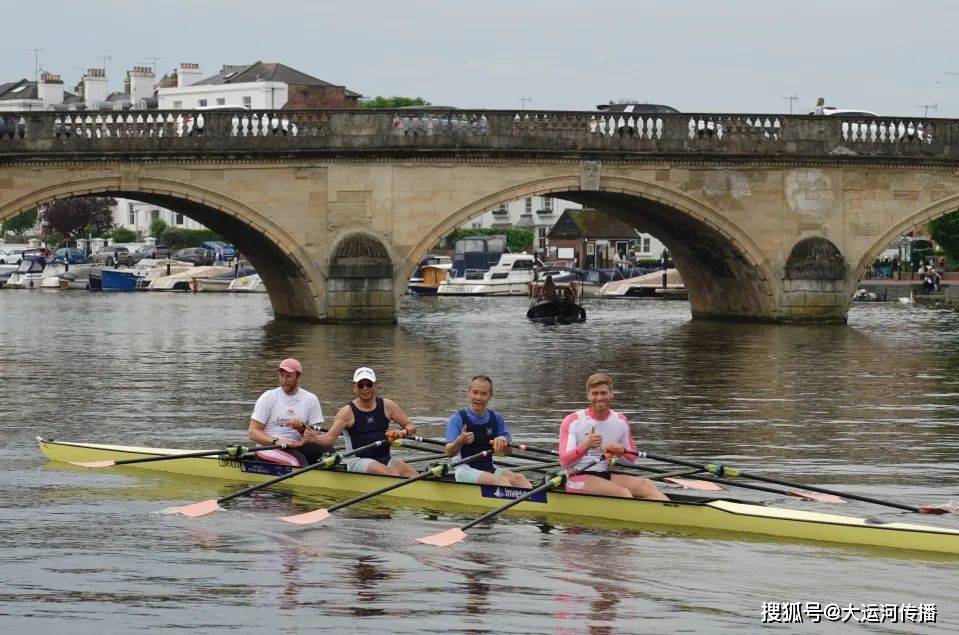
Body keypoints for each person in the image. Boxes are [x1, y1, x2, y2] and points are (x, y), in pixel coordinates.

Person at [558, 373, 669, 500]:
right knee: (622, 493)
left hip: (604, 474)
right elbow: (564, 462)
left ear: (611, 394)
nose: (599, 397)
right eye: (595, 393)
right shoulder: (573, 421)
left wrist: (621, 453)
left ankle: (674, 514)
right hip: (575, 476)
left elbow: (632, 461)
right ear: (588, 396)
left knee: (646, 485)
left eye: (603, 393)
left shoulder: (620, 421)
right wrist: (585, 446)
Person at [311, 367, 418, 477]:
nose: (365, 388)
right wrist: (313, 438)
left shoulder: (388, 405)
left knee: (412, 473)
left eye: (369, 384)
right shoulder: (347, 412)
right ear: (354, 387)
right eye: (361, 385)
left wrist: (402, 432)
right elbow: (329, 439)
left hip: (385, 458)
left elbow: (411, 426)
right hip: (357, 460)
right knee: (392, 474)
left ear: (375, 385)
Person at [444, 375, 532, 488]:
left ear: (490, 396)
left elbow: (509, 452)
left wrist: (502, 442)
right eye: (475, 392)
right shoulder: (457, 419)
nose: (478, 397)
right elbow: (448, 452)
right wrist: (460, 440)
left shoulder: (496, 418)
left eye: (483, 394)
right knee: (502, 482)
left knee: (521, 480)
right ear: (469, 393)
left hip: (488, 467)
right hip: (464, 469)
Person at [248, 358, 329, 466]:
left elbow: (315, 436)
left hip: (296, 446)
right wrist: (277, 441)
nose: (284, 381)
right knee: (298, 462)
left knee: (328, 452)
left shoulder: (311, 399)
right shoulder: (269, 397)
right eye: (282, 375)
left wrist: (302, 430)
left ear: (298, 376)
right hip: (268, 448)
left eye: (289, 376)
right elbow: (253, 433)